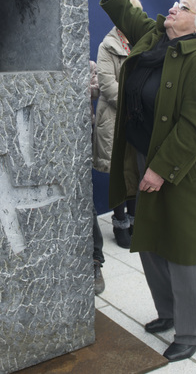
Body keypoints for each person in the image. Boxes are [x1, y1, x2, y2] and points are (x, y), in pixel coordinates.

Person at [89, 0, 196, 363]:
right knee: (150, 240)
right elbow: (128, 16)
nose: (173, 9)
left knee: (184, 250)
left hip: (182, 171)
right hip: (141, 157)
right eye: (176, 3)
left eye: (183, 7)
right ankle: (168, 314)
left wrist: (160, 170)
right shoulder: (157, 37)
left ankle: (194, 331)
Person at [93, 0, 143, 248]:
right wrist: (135, 106)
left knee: (135, 169)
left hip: (139, 118)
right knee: (118, 174)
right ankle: (120, 222)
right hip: (114, 117)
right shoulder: (108, 45)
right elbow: (106, 83)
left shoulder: (145, 42)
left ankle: (136, 221)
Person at [89, 60, 106, 294]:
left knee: (85, 202)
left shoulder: (87, 63)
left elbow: (98, 88)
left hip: (80, 133)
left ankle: (95, 260)